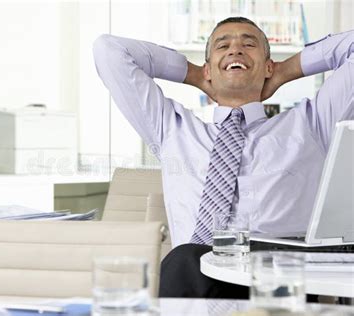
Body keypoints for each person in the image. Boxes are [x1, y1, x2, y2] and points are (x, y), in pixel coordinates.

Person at [93, 17, 354, 298]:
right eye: (223, 45)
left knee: (183, 261)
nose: (236, 49)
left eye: (249, 44)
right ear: (208, 68)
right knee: (186, 259)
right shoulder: (172, 129)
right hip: (196, 277)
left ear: (268, 65)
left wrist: (285, 71)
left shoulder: (311, 125)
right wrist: (195, 74)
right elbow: (109, 50)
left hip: (278, 283)